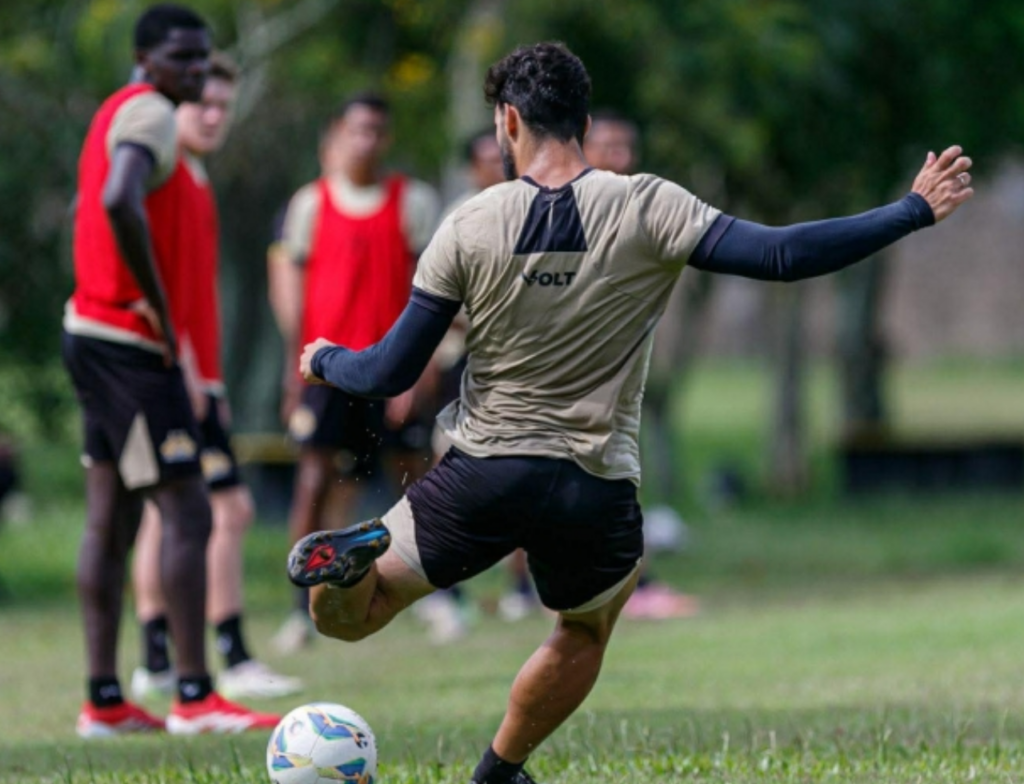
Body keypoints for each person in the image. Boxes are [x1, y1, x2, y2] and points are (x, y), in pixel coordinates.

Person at [287, 42, 973, 783]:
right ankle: (498, 772)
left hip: (484, 471)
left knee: (348, 614)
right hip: (593, 484)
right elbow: (783, 256)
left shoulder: (470, 223)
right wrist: (910, 211)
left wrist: (326, 359)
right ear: (582, 121)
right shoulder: (648, 205)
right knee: (583, 628)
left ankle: (356, 558)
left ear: (507, 120)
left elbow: (389, 369)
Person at [62, 4, 279, 737]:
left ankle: (104, 700)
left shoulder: (133, 117)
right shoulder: (151, 113)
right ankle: (195, 696)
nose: (194, 71)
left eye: (202, 58)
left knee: (114, 515)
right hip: (127, 343)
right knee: (188, 511)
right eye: (182, 58)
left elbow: (98, 208)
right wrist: (155, 309)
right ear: (145, 60)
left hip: (95, 332)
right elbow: (118, 198)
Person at [128, 53, 302, 701]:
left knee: (169, 511)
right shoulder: (162, 176)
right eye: (201, 101)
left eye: (223, 105)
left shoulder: (192, 178)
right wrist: (194, 373)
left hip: (193, 375)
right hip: (170, 372)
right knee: (223, 508)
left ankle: (157, 655)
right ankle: (226, 652)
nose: (213, 115)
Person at [269, 92, 440, 654]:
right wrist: (294, 369)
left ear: (385, 138)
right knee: (315, 480)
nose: (365, 141)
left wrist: (419, 368)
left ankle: (437, 594)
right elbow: (294, 292)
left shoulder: (411, 202)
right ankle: (302, 603)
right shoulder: (310, 205)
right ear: (338, 134)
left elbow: (429, 290)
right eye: (356, 130)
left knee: (415, 475)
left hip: (391, 364)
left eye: (375, 131)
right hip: (327, 370)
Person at [582, 110, 699, 621]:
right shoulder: (546, 213)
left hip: (617, 386)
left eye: (628, 148)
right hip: (550, 391)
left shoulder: (643, 212)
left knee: (624, 476)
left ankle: (635, 582)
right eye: (608, 147)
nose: (622, 159)